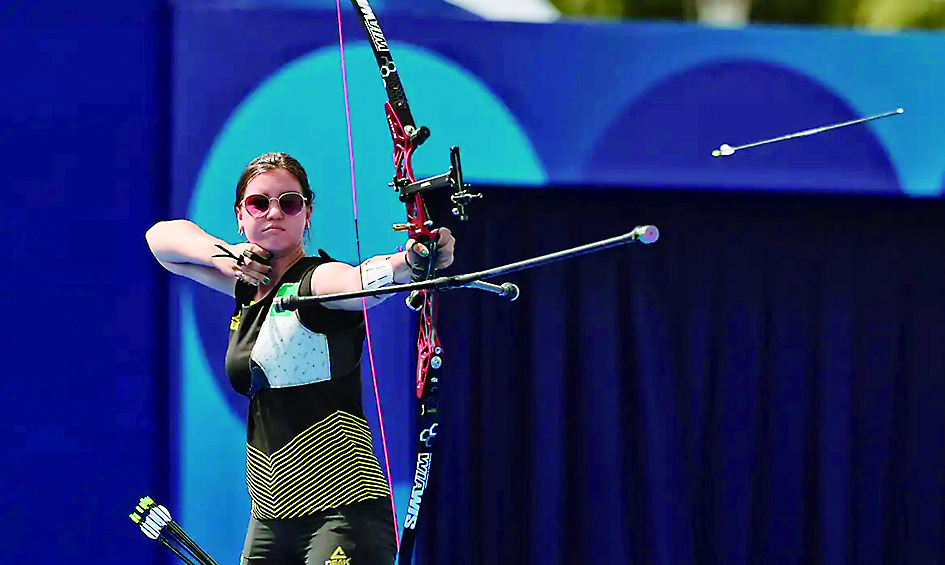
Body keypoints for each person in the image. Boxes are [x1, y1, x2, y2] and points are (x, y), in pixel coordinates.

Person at [145, 152, 455, 564]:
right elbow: (161, 240)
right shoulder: (245, 288)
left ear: (307, 214)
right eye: (259, 203)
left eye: (289, 203)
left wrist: (412, 261)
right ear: (241, 215)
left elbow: (359, 282)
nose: (274, 212)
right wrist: (226, 255)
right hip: (270, 521)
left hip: (343, 509)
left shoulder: (316, 280)